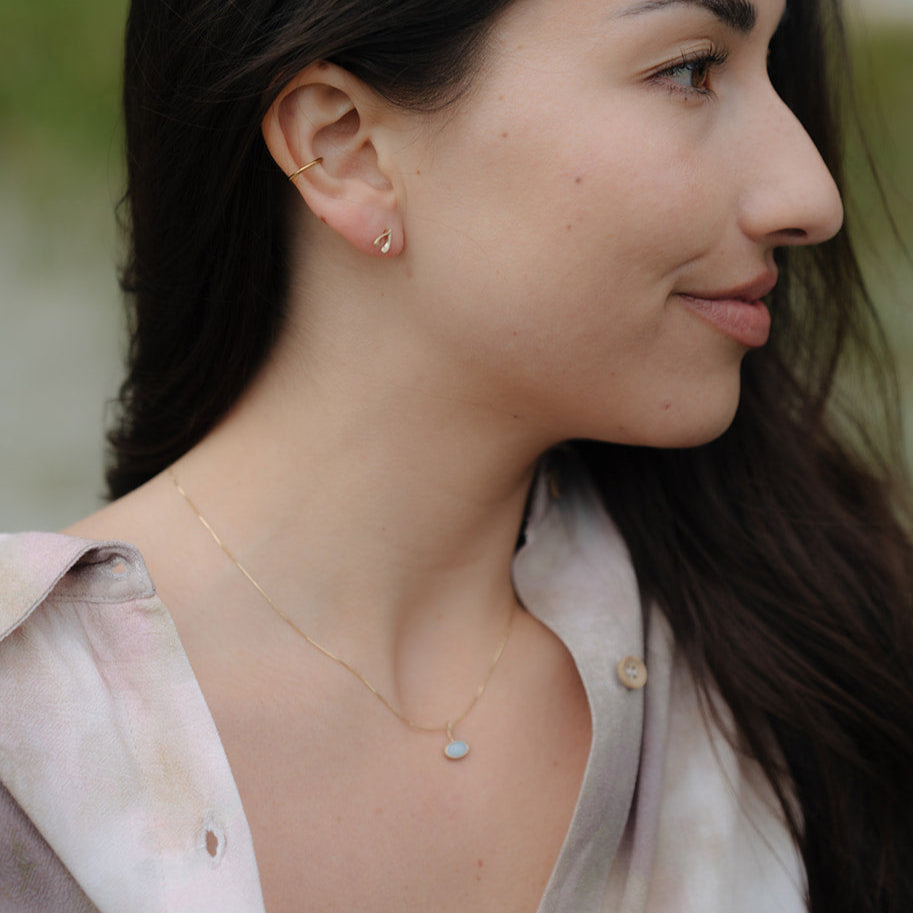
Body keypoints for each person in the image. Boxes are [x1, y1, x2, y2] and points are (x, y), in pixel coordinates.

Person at [1, 0, 911, 910]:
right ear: (345, 146)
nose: (812, 197)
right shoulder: (30, 758)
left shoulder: (815, 679)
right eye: (689, 68)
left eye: (773, 69)